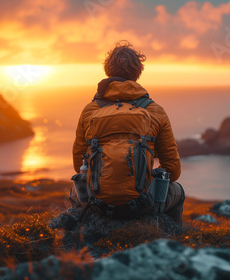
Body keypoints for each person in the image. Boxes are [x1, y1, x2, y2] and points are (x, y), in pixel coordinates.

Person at [69, 40, 185, 226]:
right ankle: (171, 241)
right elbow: (173, 170)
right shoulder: (155, 111)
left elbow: (78, 166)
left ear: (108, 71)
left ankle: (82, 240)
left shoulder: (90, 110)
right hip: (143, 205)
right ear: (138, 73)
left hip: (97, 204)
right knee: (178, 191)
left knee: (74, 191)